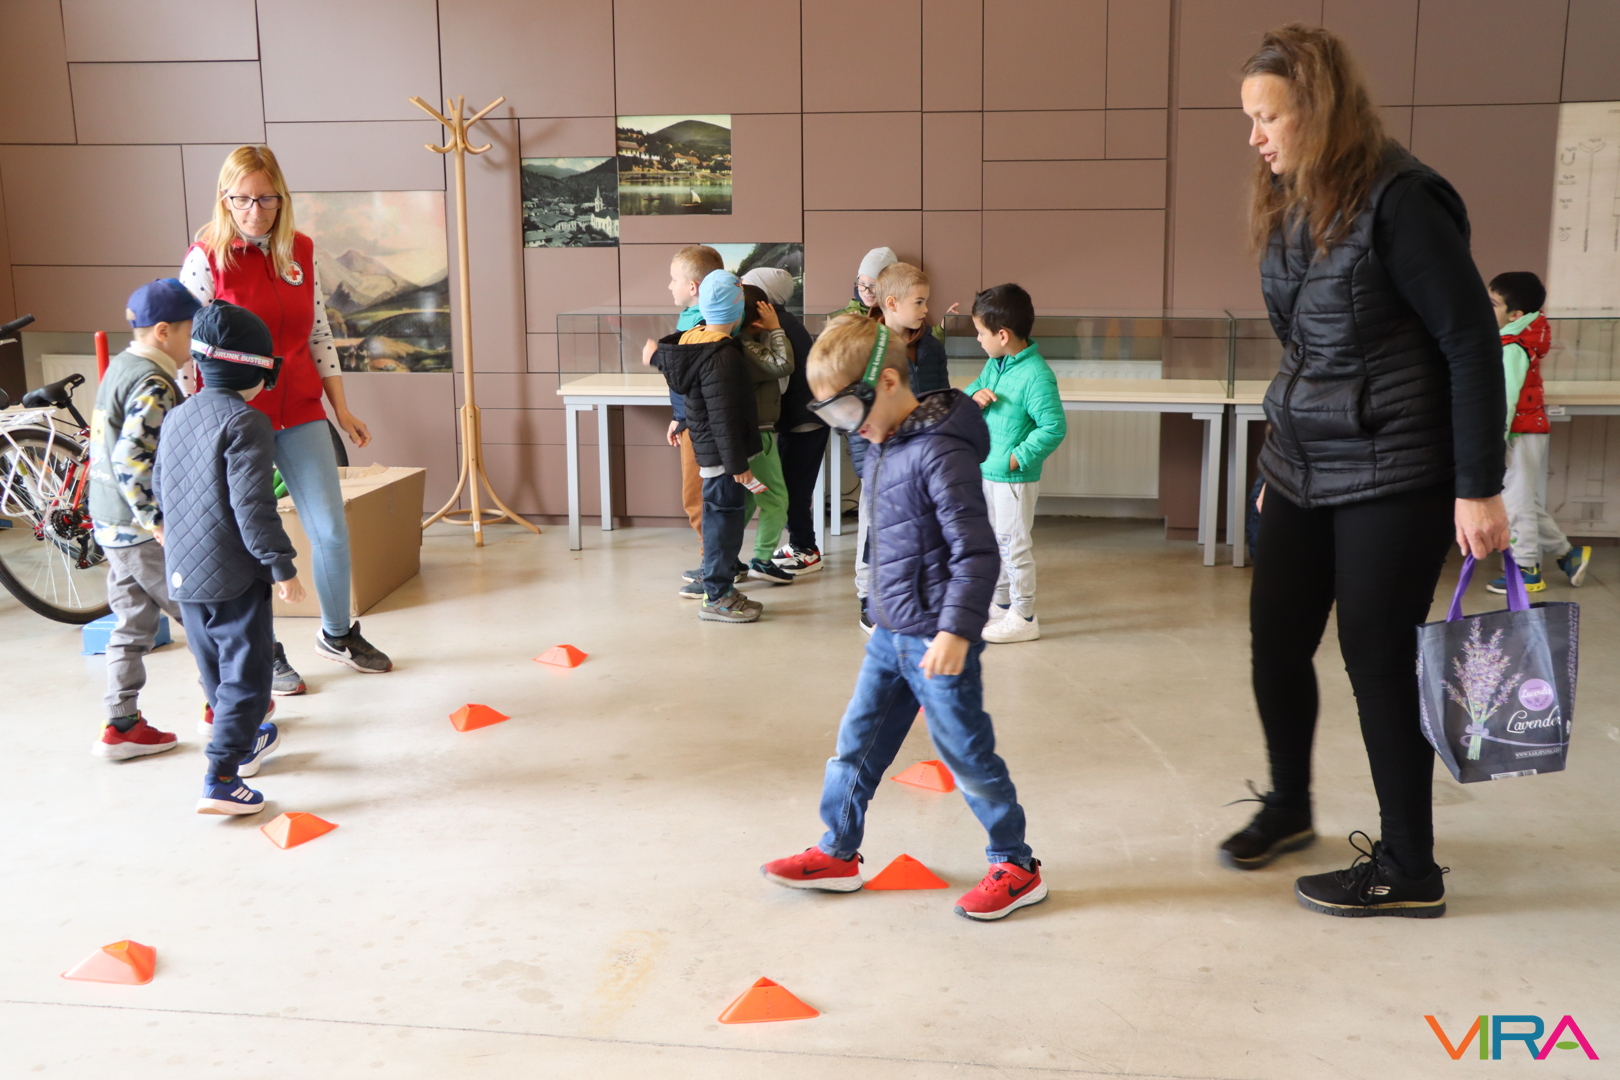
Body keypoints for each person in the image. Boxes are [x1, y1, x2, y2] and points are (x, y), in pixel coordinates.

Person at [1225, 25, 1509, 918]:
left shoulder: (1402, 200)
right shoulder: (1292, 202)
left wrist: (1479, 485)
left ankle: (1409, 867)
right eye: (1250, 118)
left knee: (1376, 657)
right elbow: (1306, 346)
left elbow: (1470, 342)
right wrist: (1280, 458)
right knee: (1276, 638)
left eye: (1269, 117)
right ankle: (1289, 804)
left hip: (1399, 465)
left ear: (1318, 110)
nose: (1255, 137)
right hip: (1305, 462)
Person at [760, 315, 1046, 921]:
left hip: (937, 640)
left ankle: (1016, 865)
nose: (847, 426)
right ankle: (838, 852)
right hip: (890, 634)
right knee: (855, 746)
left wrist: (956, 631)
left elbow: (977, 552)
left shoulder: (941, 451)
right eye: (832, 416)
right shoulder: (882, 441)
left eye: (847, 410)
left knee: (966, 756)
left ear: (888, 383)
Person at [180, 145, 390, 693]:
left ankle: (337, 635)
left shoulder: (299, 251)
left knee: (331, 531)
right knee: (244, 541)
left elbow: (318, 333)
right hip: (234, 418)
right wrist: (191, 421)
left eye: (267, 199)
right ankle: (262, 652)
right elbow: (186, 348)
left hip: (299, 409)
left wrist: (341, 408)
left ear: (282, 197)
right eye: (243, 199)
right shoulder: (206, 257)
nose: (255, 211)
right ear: (225, 198)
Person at [153, 302, 304, 815]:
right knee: (248, 673)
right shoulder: (247, 421)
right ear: (255, 370)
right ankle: (220, 776)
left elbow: (161, 487)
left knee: (214, 667)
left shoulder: (178, 414)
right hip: (234, 572)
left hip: (182, 568)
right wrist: (281, 565)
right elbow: (252, 505)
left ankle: (245, 738)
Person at [87, 280, 198, 760]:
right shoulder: (155, 383)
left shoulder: (122, 367)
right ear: (163, 331)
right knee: (201, 614)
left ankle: (121, 724)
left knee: (132, 624)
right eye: (190, 330)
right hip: (140, 530)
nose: (193, 340)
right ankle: (228, 710)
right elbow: (131, 458)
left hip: (111, 522)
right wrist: (156, 520)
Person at [651, 270, 765, 623]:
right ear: (737, 309)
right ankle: (717, 596)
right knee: (724, 528)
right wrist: (737, 465)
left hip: (713, 454)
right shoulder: (722, 355)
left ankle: (721, 588)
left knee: (722, 524)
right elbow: (723, 417)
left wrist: (654, 357)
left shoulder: (694, 340)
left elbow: (681, 376)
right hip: (723, 459)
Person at [852, 262, 954, 632]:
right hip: (880, 459)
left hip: (921, 457)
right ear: (892, 303)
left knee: (915, 530)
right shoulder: (865, 346)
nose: (927, 309)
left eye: (926, 301)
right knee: (874, 530)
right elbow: (857, 410)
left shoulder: (931, 348)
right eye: (920, 302)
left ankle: (908, 595)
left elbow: (941, 399)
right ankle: (869, 597)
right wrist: (866, 463)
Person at [964, 283, 1067, 644]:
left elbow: (1053, 427)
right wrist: (973, 397)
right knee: (994, 543)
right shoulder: (995, 364)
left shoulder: (1037, 375)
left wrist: (1016, 457)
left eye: (981, 332)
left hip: (1013, 478)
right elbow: (971, 391)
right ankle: (1001, 605)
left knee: (1013, 547)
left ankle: (1024, 616)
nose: (978, 339)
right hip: (988, 471)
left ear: (1003, 335)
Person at [1486, 271, 1591, 593]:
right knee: (1523, 499)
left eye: (1493, 304)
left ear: (1515, 315)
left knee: (1514, 502)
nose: (1484, 307)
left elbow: (1505, 397)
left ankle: (1526, 568)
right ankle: (1568, 554)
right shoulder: (1517, 338)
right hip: (1525, 430)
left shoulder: (1512, 346)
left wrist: (1495, 438)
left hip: (1517, 432)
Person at [743, 267, 825, 576]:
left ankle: (806, 549)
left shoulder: (777, 326)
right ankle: (798, 544)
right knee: (791, 486)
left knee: (793, 489)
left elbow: (780, 374)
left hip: (804, 420)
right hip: (801, 419)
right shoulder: (784, 321)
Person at [643, 245, 725, 545]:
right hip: (692, 418)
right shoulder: (697, 318)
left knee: (696, 498)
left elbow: (690, 375)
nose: (669, 286)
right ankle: (717, 560)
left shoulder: (701, 325)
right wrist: (678, 417)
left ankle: (712, 562)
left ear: (693, 287)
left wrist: (656, 358)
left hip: (700, 424)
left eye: (674, 279)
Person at [735, 285, 796, 586]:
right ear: (759, 317)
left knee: (748, 499)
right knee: (775, 499)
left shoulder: (736, 343)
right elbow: (783, 364)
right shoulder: (745, 347)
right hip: (759, 435)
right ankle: (762, 558)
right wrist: (775, 329)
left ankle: (727, 559)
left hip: (747, 434)